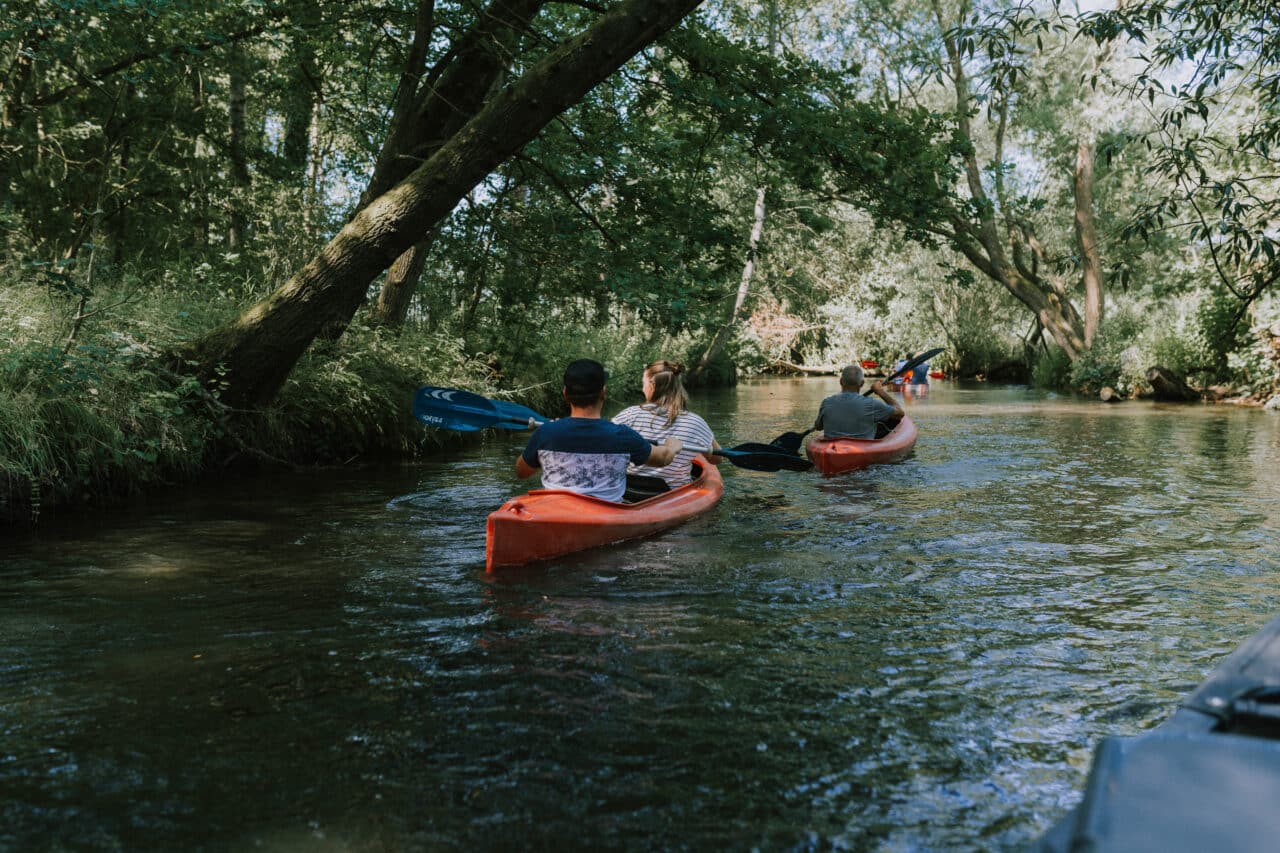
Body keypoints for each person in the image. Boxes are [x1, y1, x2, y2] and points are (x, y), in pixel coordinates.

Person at [516, 359, 682, 502]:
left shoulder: (546, 433)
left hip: (556, 512)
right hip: (605, 514)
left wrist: (552, 434)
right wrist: (671, 446)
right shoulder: (623, 435)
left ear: (565, 394)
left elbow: (521, 472)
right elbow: (662, 459)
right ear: (603, 393)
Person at [612, 360, 723, 491]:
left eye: (643, 384)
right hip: (673, 494)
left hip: (631, 491)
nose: (643, 389)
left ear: (652, 386)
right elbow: (717, 459)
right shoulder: (695, 422)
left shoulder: (628, 415)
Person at [812, 364, 904, 440]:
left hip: (832, 449)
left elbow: (819, 427)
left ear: (841, 382)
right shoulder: (871, 404)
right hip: (861, 449)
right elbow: (900, 413)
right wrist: (880, 392)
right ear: (862, 383)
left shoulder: (826, 402)